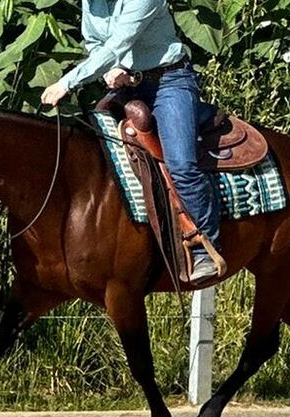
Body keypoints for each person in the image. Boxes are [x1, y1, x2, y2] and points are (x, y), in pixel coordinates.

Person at [41, 0, 220, 284]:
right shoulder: (92, 2)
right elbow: (95, 43)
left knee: (181, 164)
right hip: (129, 85)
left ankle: (205, 245)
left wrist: (67, 83)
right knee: (94, 151)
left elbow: (118, 43)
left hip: (169, 81)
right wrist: (116, 69)